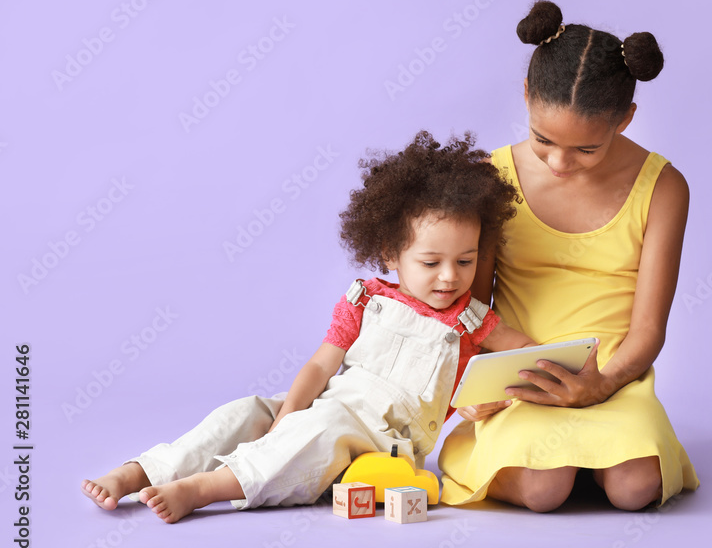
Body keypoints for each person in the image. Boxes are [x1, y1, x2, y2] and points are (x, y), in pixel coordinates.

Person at [81, 131, 535, 523]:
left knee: (323, 429)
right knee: (246, 413)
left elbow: (529, 356)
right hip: (327, 403)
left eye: (466, 261)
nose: (450, 277)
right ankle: (141, 471)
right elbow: (320, 366)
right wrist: (286, 416)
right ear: (389, 255)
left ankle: (204, 489)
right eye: (431, 263)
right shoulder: (365, 300)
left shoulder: (471, 319)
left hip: (381, 440)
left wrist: (487, 397)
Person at [438, 0, 700, 512]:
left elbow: (649, 328)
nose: (559, 162)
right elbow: (472, 306)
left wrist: (603, 384)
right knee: (543, 491)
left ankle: (587, 461)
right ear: (526, 96)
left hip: (615, 376)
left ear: (625, 119)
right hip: (519, 377)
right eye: (543, 139)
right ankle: (527, 460)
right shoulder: (493, 176)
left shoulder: (663, 187)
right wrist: (470, 380)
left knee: (634, 489)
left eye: (586, 149)